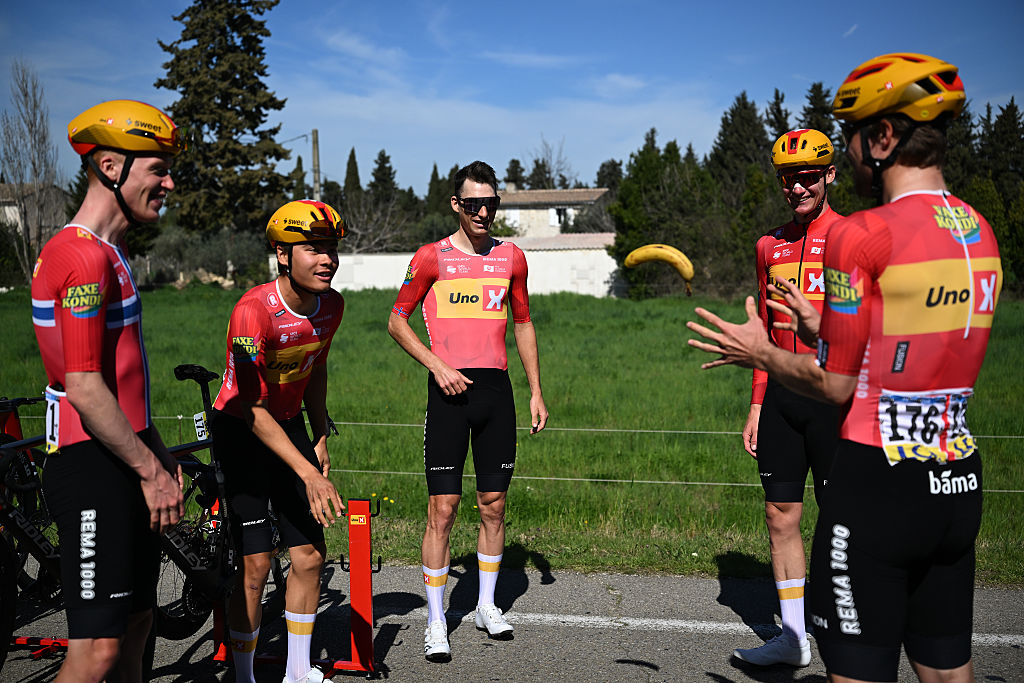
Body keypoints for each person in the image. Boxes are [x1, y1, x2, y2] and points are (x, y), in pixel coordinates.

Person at [688, 53, 1001, 683]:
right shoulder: (978, 230)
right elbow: (908, 352)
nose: (850, 153)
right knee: (946, 669)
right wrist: (817, 328)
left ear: (882, 137)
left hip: (878, 483)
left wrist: (761, 353)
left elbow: (838, 382)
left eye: (852, 136)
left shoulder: (861, 234)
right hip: (955, 478)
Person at [31, 99, 186, 682]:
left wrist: (158, 453)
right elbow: (85, 387)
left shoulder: (109, 252)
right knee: (96, 650)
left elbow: (123, 384)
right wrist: (150, 471)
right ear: (110, 166)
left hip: (125, 454)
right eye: (158, 170)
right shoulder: (79, 257)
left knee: (138, 623)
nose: (168, 184)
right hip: (91, 463)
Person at [387, 160, 549, 662]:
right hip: (448, 394)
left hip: (496, 393)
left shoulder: (512, 257)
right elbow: (396, 321)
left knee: (493, 505)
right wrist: (437, 366)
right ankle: (437, 620)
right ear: (457, 204)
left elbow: (523, 322)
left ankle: (485, 605)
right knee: (443, 509)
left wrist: (536, 391)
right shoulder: (431, 257)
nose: (483, 212)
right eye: (474, 203)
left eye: (491, 203)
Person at [211, 199, 346, 683]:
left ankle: (297, 671)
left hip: (287, 425)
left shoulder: (332, 306)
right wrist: (307, 471)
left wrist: (318, 434)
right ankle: (244, 676)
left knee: (309, 555)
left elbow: (315, 367)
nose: (327, 259)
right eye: (314, 249)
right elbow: (251, 408)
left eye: (331, 249)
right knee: (256, 564)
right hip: (243, 429)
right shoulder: (252, 312)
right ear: (282, 255)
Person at [733, 129, 842, 668]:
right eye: (787, 179)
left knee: (844, 517)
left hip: (834, 395)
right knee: (780, 514)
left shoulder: (850, 238)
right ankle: (794, 639)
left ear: (829, 175)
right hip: (779, 395)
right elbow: (765, 335)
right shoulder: (767, 246)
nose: (797, 187)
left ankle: (849, 633)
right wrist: (757, 403)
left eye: (807, 177)